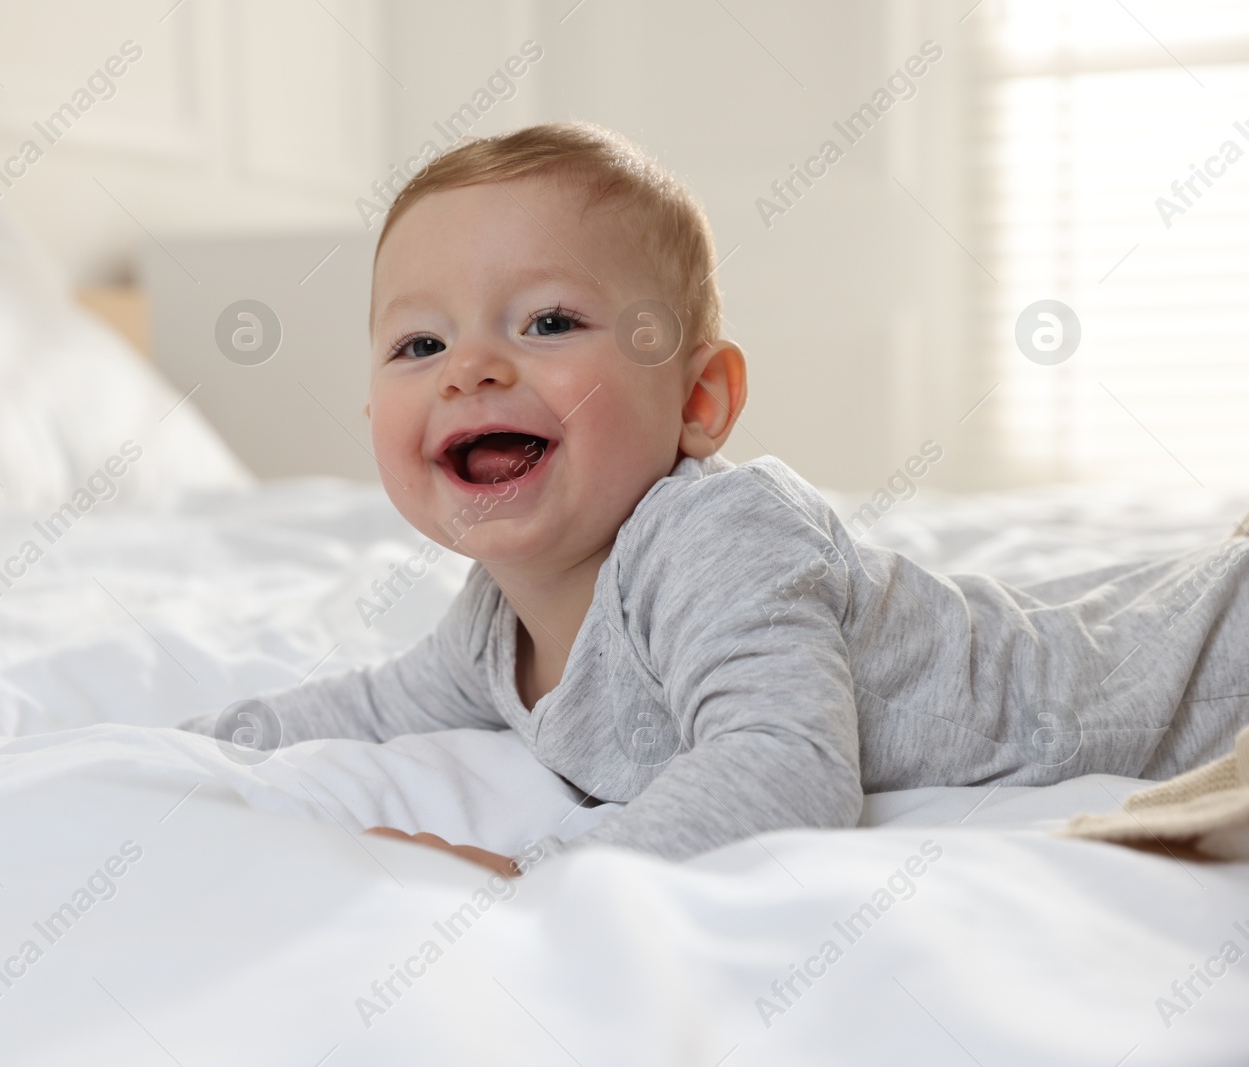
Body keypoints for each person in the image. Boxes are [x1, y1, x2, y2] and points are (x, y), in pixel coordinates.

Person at [182, 122, 1249, 874]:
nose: (471, 368)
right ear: (372, 415)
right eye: (419, 343)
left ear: (697, 400)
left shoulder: (715, 536)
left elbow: (786, 768)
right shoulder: (491, 621)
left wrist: (539, 869)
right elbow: (365, 708)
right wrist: (189, 742)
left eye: (547, 322)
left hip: (1196, 663)